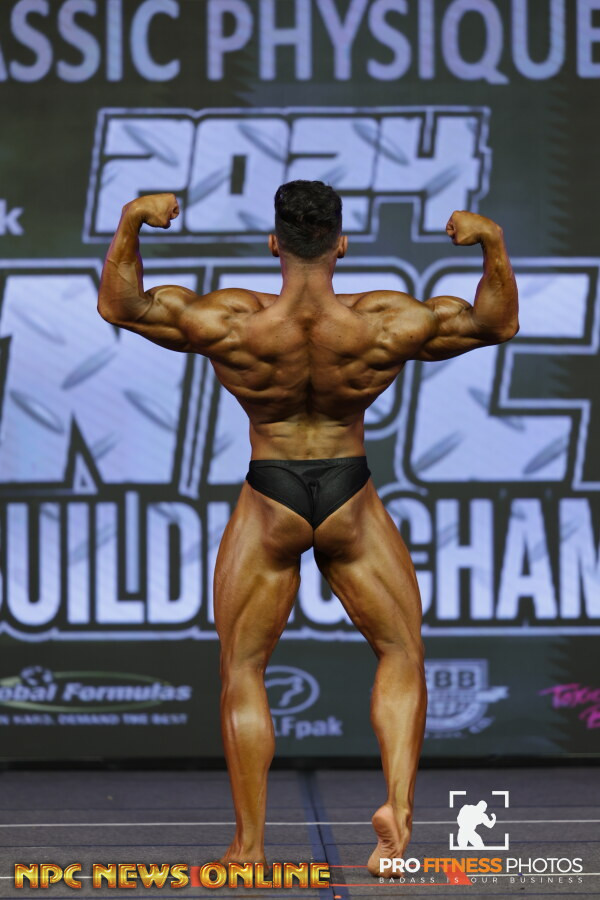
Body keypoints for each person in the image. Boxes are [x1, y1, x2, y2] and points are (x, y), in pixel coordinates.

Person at [97, 181, 519, 876]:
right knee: (401, 651)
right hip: (350, 493)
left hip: (272, 495)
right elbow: (494, 324)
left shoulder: (232, 321)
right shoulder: (384, 321)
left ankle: (249, 849)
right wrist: (493, 245)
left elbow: (122, 304)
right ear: (340, 244)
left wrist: (132, 221)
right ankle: (397, 813)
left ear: (275, 243)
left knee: (243, 669)